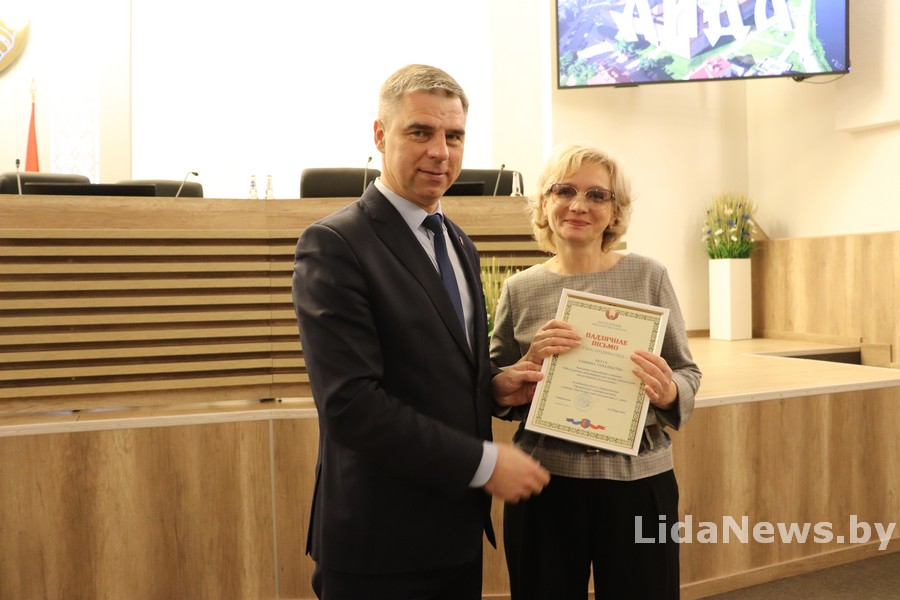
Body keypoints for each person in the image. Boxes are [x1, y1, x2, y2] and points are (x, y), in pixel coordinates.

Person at [291, 64, 550, 600]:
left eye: (454, 136)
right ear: (380, 135)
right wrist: (485, 462)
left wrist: (495, 386)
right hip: (380, 544)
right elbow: (350, 405)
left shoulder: (457, 241)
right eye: (420, 132)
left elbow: (439, 365)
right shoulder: (335, 244)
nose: (440, 151)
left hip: (455, 535)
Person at [490, 144, 702, 599]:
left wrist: (668, 391)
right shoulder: (520, 289)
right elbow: (496, 381)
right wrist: (519, 374)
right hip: (544, 482)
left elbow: (687, 371)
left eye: (597, 195)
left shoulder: (649, 276)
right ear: (544, 203)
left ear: (615, 211)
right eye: (564, 191)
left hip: (639, 480)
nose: (579, 205)